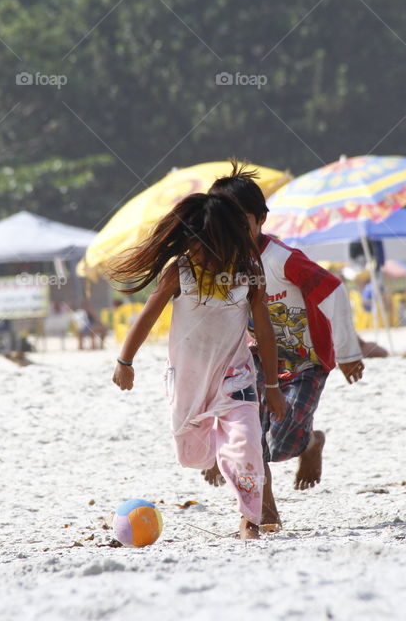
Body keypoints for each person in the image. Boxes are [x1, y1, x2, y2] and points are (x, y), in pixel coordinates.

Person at [108, 192, 287, 540]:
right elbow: (148, 315)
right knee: (192, 455)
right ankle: (220, 456)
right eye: (193, 243)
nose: (197, 251)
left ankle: (249, 520)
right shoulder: (180, 271)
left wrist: (272, 385)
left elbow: (263, 329)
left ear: (227, 242)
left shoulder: (248, 273)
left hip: (235, 375)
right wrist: (125, 360)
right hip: (188, 380)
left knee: (247, 444)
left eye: (205, 244)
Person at [206, 162, 365, 528]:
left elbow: (335, 291)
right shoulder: (221, 268)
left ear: (260, 219)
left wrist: (348, 352)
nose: (231, 230)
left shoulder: (283, 259)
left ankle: (309, 444)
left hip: (305, 363)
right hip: (256, 363)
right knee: (253, 441)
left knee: (283, 440)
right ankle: (265, 512)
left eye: (240, 220)